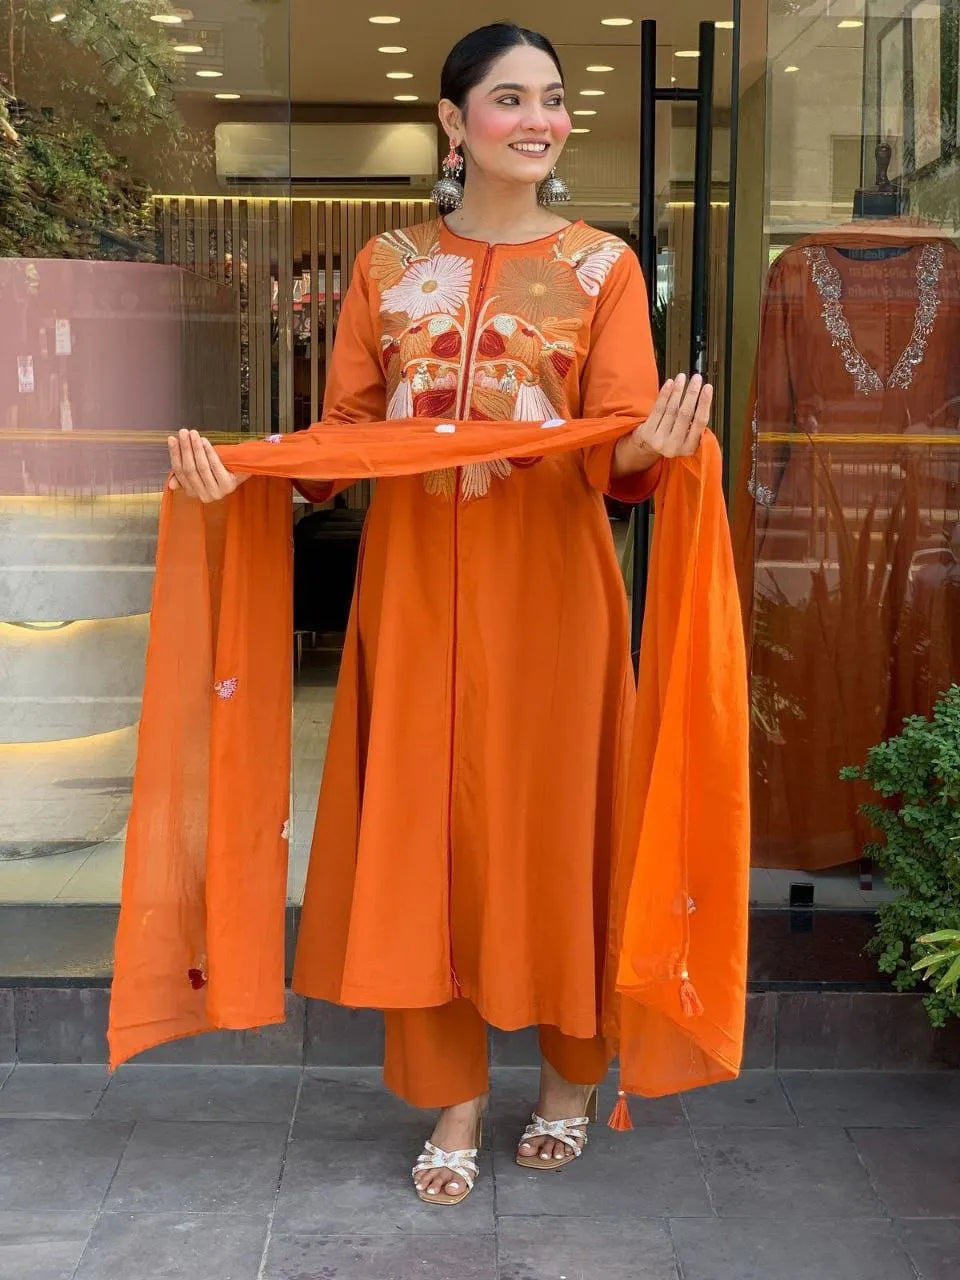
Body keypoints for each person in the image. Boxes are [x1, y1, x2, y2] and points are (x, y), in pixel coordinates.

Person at [162, 23, 714, 1207]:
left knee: (556, 827)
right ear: (455, 124)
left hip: (554, 605)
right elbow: (343, 438)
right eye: (509, 100)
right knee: (423, 838)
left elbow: (616, 450)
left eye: (553, 100)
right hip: (411, 605)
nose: (539, 119)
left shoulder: (604, 270)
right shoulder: (384, 266)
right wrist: (249, 476)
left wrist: (653, 452)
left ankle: (570, 1080)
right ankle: (454, 1098)